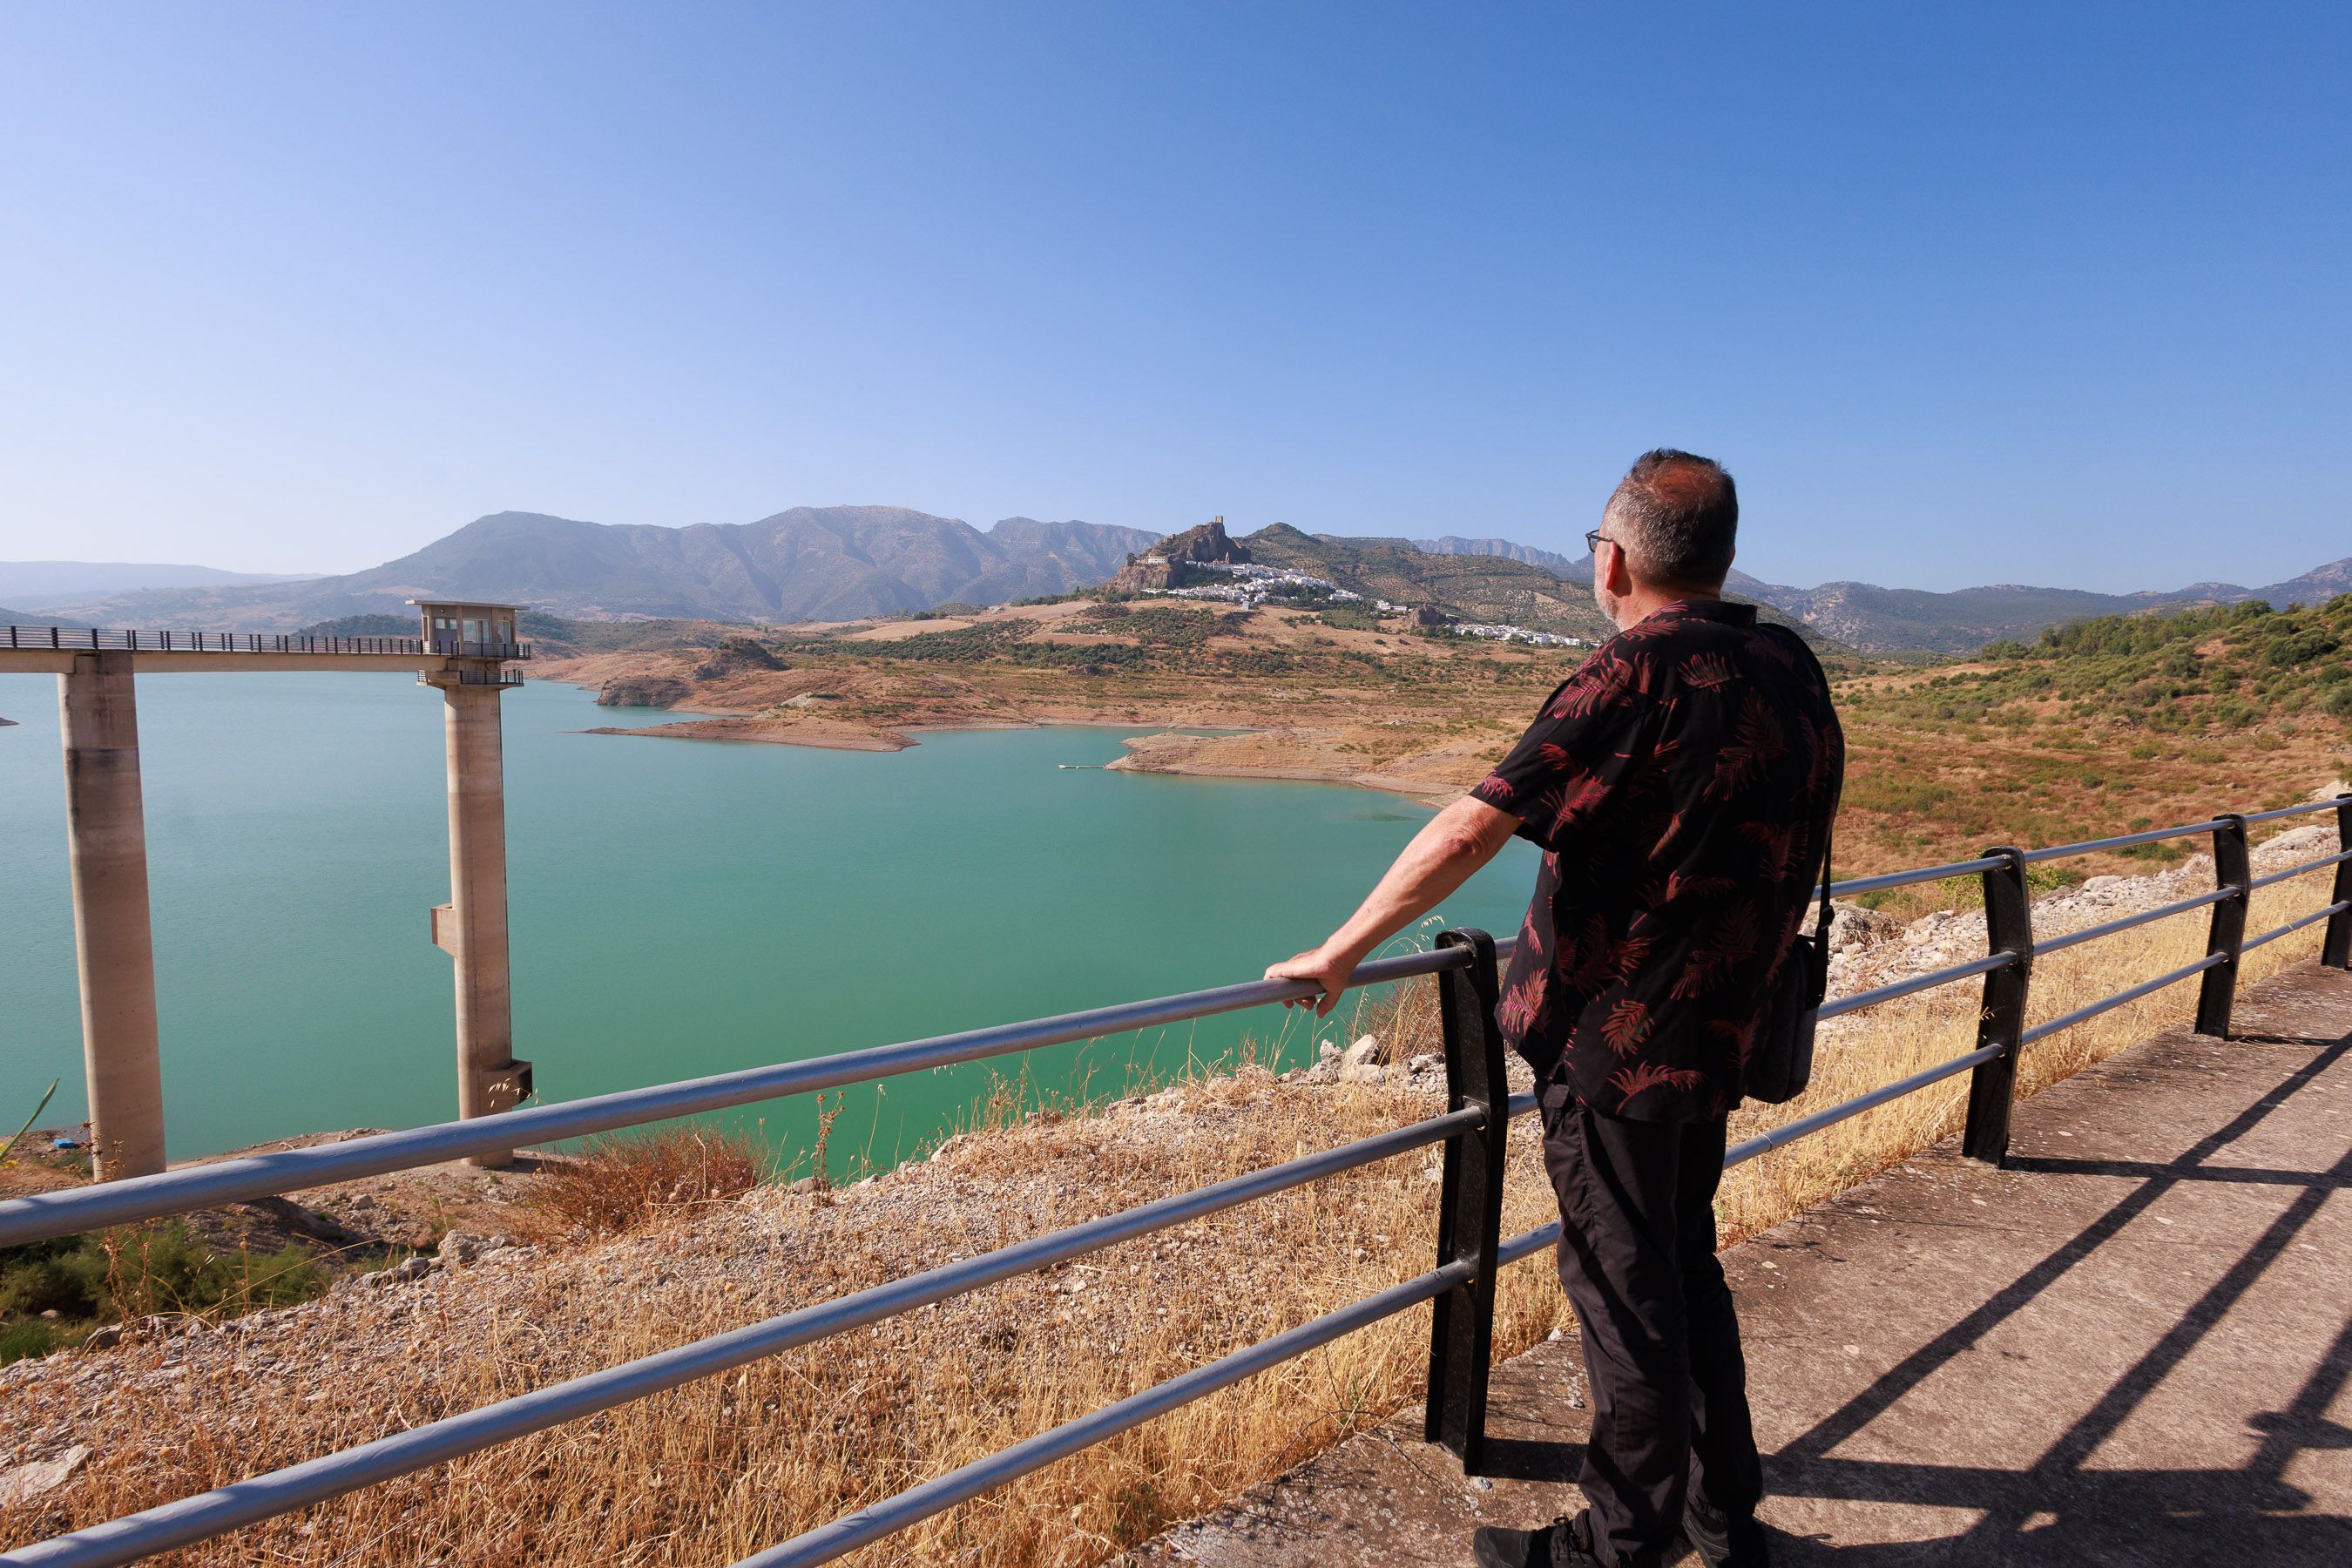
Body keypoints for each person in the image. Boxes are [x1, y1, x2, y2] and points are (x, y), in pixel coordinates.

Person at [1264, 450, 1842, 1568]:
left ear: (1614, 557)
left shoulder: (1629, 675)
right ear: (1721, 558)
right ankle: (1724, 1521)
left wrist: (1342, 950)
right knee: (1681, 1265)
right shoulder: (1788, 663)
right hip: (1721, 1032)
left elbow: (1473, 826)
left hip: (1613, 1051)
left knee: (1625, 1290)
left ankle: (1617, 1546)